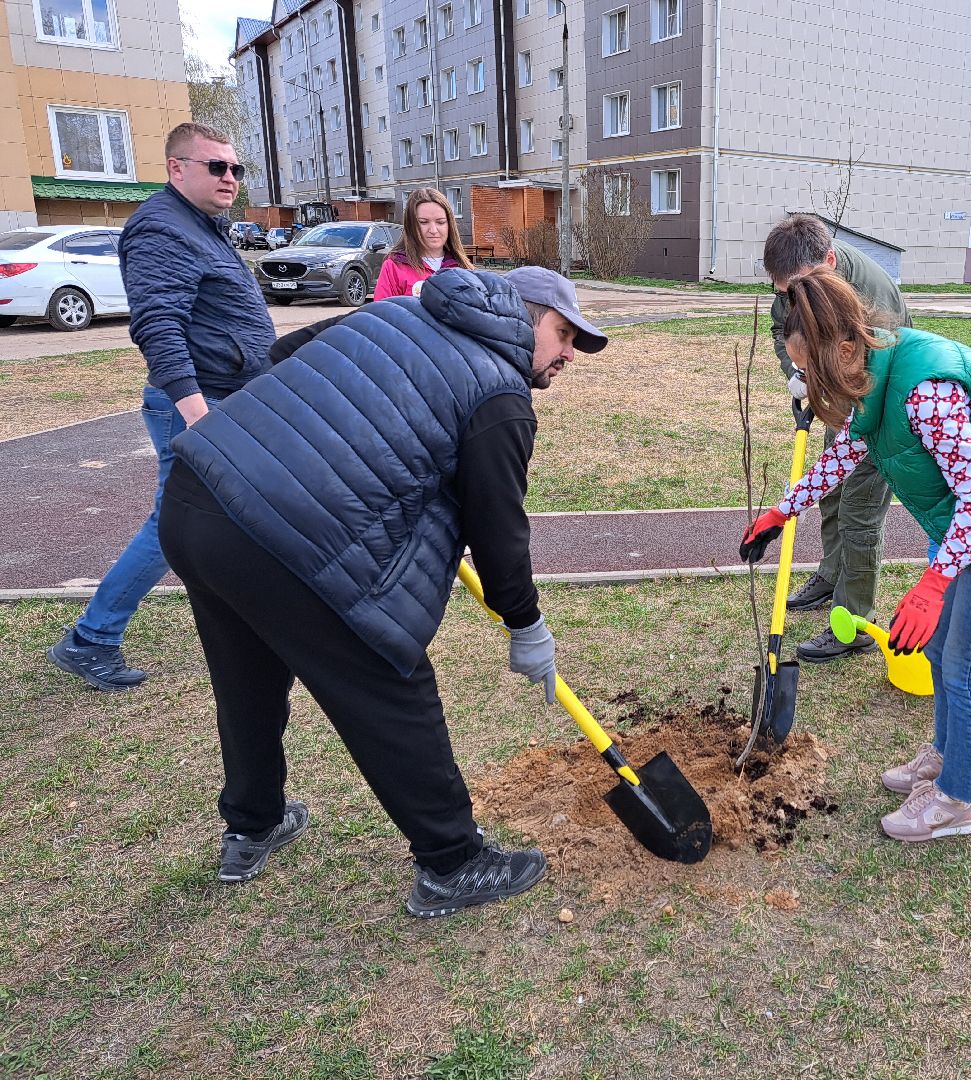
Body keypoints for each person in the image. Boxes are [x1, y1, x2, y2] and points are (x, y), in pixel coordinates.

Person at [158, 266, 608, 916]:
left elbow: (281, 358)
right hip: (279, 534)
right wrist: (526, 625)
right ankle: (453, 863)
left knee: (246, 677)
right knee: (391, 682)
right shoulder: (500, 395)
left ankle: (252, 825)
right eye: (563, 334)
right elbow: (498, 531)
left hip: (198, 496)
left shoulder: (396, 313)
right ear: (527, 314)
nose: (568, 355)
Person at [739, 267, 971, 843]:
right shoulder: (875, 378)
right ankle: (946, 756)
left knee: (966, 670)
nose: (804, 379)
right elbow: (846, 452)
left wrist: (933, 584)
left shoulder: (923, 393)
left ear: (845, 348)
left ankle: (958, 802)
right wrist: (782, 511)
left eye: (808, 367)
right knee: (945, 652)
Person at [47, 123, 275, 691]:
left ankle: (251, 613)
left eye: (236, 168)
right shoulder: (160, 228)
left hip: (229, 398)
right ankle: (91, 638)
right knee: (170, 527)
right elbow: (158, 325)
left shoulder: (201, 225)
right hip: (200, 405)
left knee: (226, 517)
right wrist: (199, 415)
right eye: (216, 167)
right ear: (177, 168)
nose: (230, 178)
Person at [764, 213, 912, 662]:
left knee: (859, 511)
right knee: (832, 492)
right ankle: (830, 575)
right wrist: (798, 373)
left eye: (798, 288)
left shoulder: (873, 295)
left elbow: (882, 372)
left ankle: (854, 622)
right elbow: (780, 329)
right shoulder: (794, 282)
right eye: (785, 292)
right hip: (837, 396)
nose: (793, 299)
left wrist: (833, 388)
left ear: (828, 260)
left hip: (877, 403)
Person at [373, 188, 474, 301]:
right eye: (423, 222)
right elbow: (382, 314)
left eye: (440, 222)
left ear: (449, 224)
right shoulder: (394, 267)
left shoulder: (463, 268)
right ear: (411, 225)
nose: (433, 230)